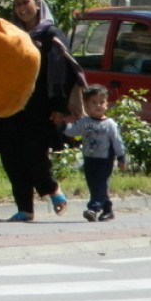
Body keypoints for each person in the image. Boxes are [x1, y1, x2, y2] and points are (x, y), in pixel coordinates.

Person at [0, 0, 75, 222]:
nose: (21, 8)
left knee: (34, 153)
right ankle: (25, 209)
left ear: (38, 4)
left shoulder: (51, 34)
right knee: (10, 154)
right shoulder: (12, 33)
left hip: (41, 106)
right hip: (14, 103)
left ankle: (52, 189)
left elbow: (62, 72)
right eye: (17, 4)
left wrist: (59, 107)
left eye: (26, 2)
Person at [63, 85, 127, 222]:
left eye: (102, 102)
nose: (98, 105)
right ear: (86, 104)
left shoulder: (109, 124)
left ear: (107, 104)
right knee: (95, 186)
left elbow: (117, 142)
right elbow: (72, 131)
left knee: (101, 185)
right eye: (94, 102)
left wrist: (121, 157)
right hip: (89, 159)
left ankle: (93, 209)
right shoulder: (85, 122)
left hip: (104, 160)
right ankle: (108, 210)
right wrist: (62, 125)